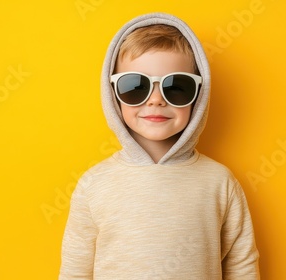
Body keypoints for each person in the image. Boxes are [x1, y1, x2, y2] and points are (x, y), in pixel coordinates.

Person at [59, 12, 260, 279]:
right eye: (135, 86)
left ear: (199, 94)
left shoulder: (219, 182)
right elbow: (75, 270)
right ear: (113, 94)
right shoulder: (94, 183)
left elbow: (241, 265)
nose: (155, 100)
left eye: (176, 86)